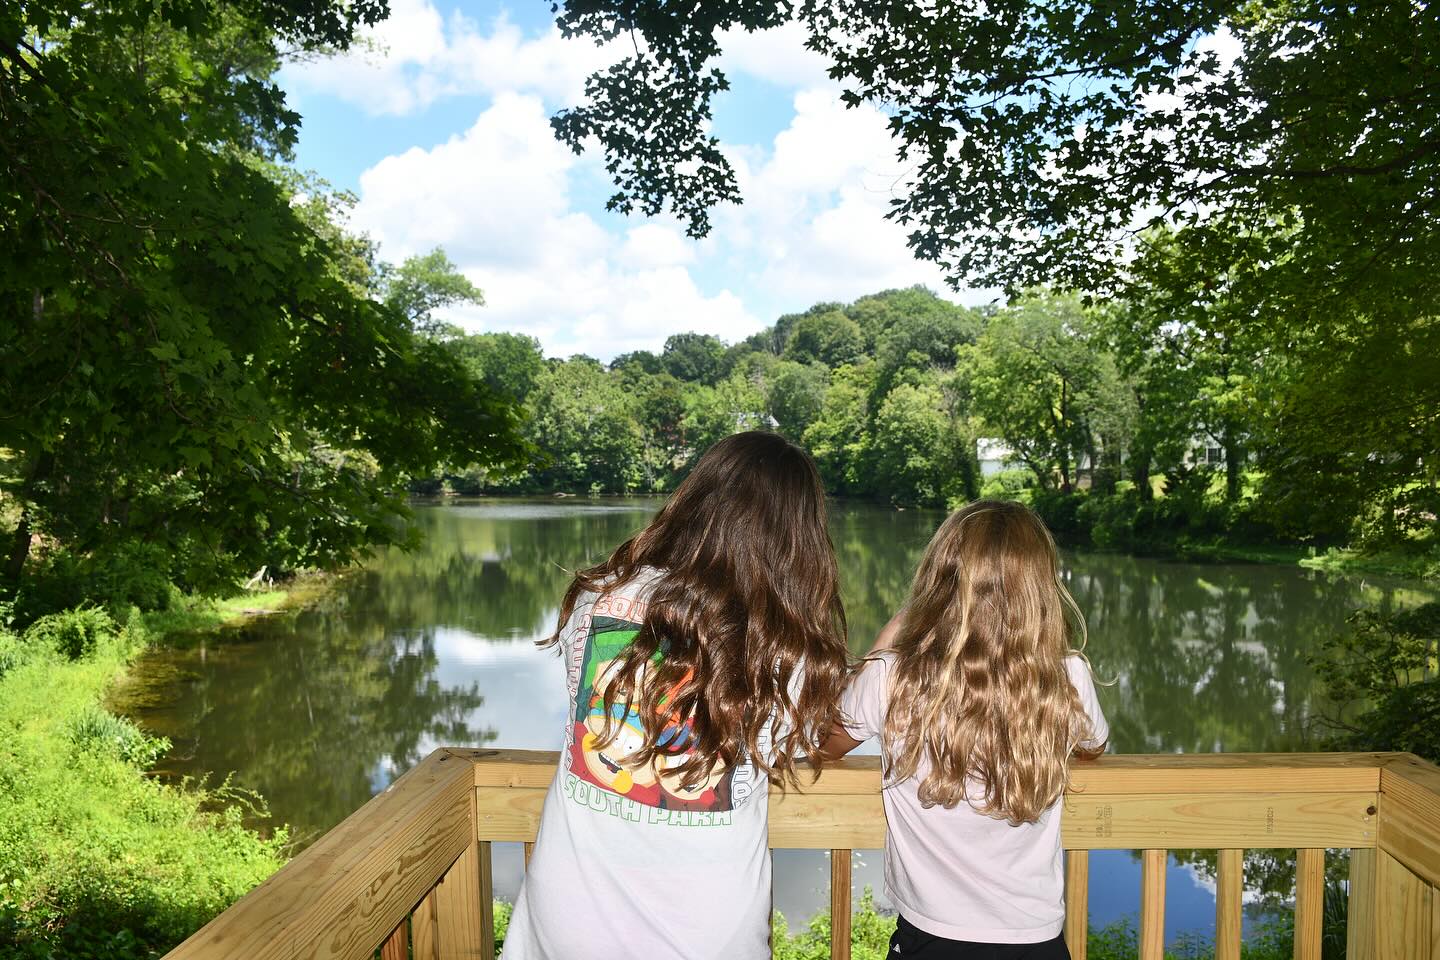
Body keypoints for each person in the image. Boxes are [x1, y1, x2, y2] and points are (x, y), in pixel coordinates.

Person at [501, 431, 851, 960]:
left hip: (566, 917)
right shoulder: (786, 651)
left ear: (695, 500)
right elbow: (824, 739)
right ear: (796, 538)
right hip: (704, 934)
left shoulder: (598, 597)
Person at [822, 499, 1108, 959]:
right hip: (1035, 940)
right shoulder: (1066, 676)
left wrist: (879, 649)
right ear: (1040, 588)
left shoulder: (892, 677)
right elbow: (1093, 746)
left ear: (940, 581)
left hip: (931, 939)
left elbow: (824, 746)